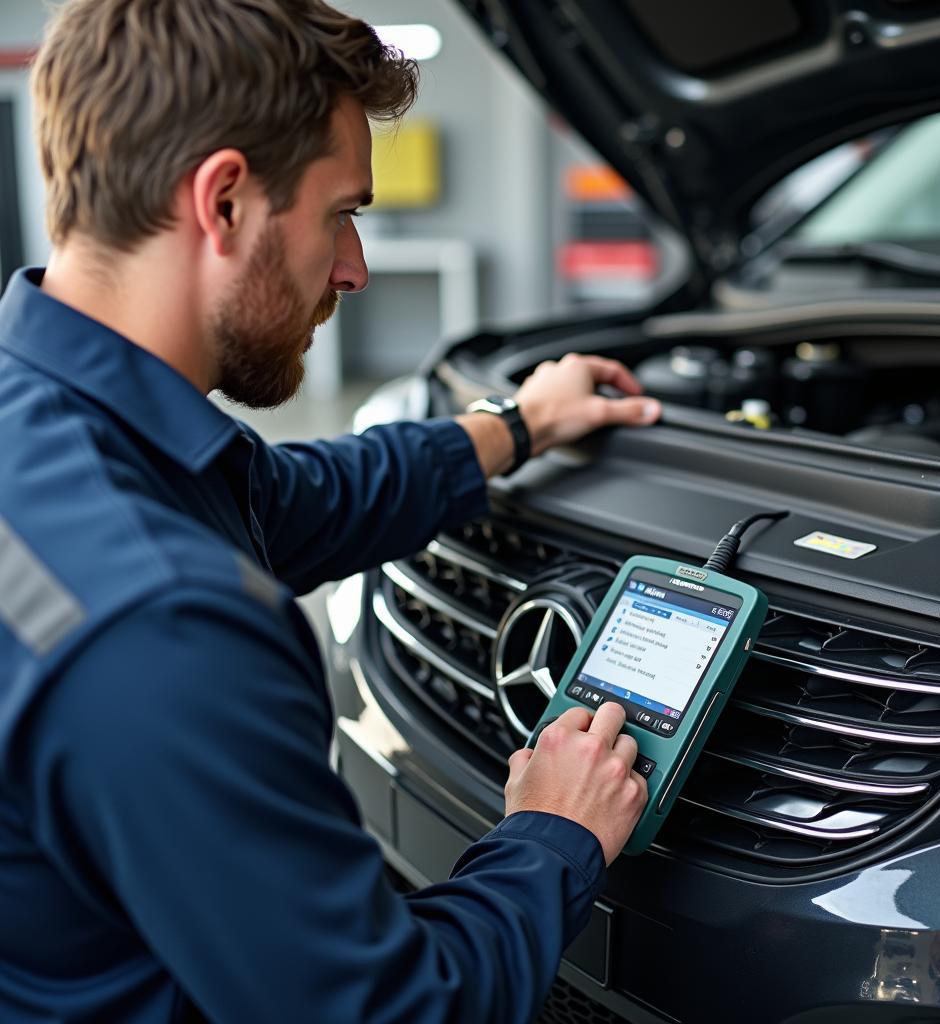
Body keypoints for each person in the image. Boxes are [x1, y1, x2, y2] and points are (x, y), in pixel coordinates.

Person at [0, 1, 663, 1021]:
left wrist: (515, 424)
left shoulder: (55, 422)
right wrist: (552, 831)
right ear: (222, 200)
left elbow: (290, 501)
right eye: (341, 212)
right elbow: (388, 1010)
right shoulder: (163, 624)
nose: (351, 267)